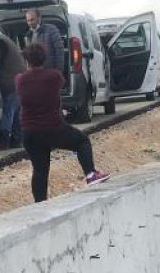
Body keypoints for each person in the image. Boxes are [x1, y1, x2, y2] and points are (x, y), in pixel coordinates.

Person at [16, 44, 109, 203]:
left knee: (40, 170)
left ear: (26, 61)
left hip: (29, 132)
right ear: (43, 59)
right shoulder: (54, 76)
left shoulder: (19, 80)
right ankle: (91, 174)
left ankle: (40, 204)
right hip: (53, 128)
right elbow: (62, 82)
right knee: (82, 142)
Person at [0, 31, 25, 148]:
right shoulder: (4, 38)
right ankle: (17, 140)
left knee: (8, 111)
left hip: (10, 82)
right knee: (16, 112)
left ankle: (3, 139)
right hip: (18, 80)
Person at [25, 9, 65, 74]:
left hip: (51, 72)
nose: (30, 23)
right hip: (36, 74)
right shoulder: (28, 35)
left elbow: (59, 52)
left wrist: (58, 72)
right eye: (28, 20)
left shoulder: (52, 30)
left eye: (32, 20)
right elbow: (29, 58)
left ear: (39, 18)